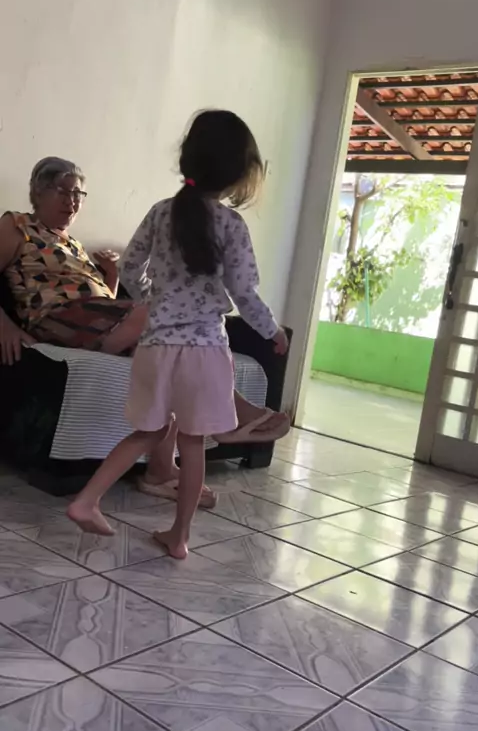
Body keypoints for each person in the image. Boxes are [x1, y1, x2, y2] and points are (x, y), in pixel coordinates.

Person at [0, 157, 290, 507]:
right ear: (37, 192)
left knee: (165, 355)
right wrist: (5, 325)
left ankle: (160, 471)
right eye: (62, 191)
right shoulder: (17, 225)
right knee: (171, 317)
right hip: (58, 318)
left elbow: (107, 302)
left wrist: (111, 276)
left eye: (78, 194)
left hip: (98, 319)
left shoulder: (73, 244)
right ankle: (234, 410)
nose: (71, 201)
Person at [67, 110, 289, 558]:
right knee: (192, 442)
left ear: (189, 158)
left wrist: (154, 299)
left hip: (155, 346)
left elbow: (131, 267)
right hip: (205, 351)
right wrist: (272, 332)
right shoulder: (231, 225)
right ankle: (179, 538)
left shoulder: (161, 212)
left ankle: (86, 500)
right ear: (238, 172)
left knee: (147, 432)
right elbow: (244, 292)